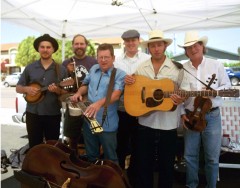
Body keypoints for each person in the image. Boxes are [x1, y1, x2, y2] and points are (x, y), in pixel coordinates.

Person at [125, 30, 190, 188]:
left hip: (168, 125)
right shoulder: (141, 67)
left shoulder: (178, 68)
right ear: (149, 48)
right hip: (145, 123)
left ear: (165, 46)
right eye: (152, 45)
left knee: (166, 166)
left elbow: (186, 91)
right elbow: (133, 89)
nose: (156, 48)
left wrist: (182, 97)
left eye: (159, 45)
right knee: (144, 166)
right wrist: (129, 80)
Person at [179, 31, 231, 188]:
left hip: (212, 116)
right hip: (191, 116)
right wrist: (182, 113)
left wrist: (213, 92)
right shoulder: (182, 69)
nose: (193, 49)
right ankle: (191, 185)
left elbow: (228, 87)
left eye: (196, 45)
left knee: (212, 158)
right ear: (186, 51)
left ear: (202, 46)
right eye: (189, 47)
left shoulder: (216, 65)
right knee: (189, 156)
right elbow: (179, 94)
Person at [71, 43, 126, 163]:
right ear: (97, 57)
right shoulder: (94, 68)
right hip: (89, 120)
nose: (103, 60)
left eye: (106, 57)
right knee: (91, 156)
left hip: (107, 123)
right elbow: (85, 84)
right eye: (100, 57)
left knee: (110, 158)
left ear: (113, 58)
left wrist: (98, 104)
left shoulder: (120, 74)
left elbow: (116, 95)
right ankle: (93, 179)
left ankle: (111, 181)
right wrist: (78, 93)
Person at [16, 34, 68, 149]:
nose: (45, 50)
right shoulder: (30, 68)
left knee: (52, 147)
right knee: (34, 146)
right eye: (42, 47)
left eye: (48, 47)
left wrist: (57, 90)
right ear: (38, 49)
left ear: (53, 49)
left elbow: (65, 93)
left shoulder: (61, 70)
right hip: (32, 113)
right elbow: (18, 87)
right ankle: (34, 167)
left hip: (52, 113)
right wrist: (27, 89)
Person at [114, 29, 150, 171]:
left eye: (133, 40)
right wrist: (123, 81)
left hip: (142, 110)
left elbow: (152, 81)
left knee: (139, 146)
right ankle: (120, 177)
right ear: (124, 42)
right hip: (121, 108)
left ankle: (135, 178)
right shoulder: (116, 62)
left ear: (138, 41)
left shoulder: (147, 59)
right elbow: (113, 83)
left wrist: (137, 81)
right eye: (127, 41)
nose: (130, 43)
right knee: (121, 144)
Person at [62, 34, 97, 153]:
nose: (79, 46)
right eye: (76, 44)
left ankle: (91, 160)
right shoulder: (66, 63)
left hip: (90, 104)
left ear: (86, 45)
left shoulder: (94, 62)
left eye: (82, 43)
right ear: (72, 46)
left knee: (92, 134)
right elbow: (62, 86)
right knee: (73, 137)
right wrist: (68, 72)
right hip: (73, 104)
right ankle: (74, 160)